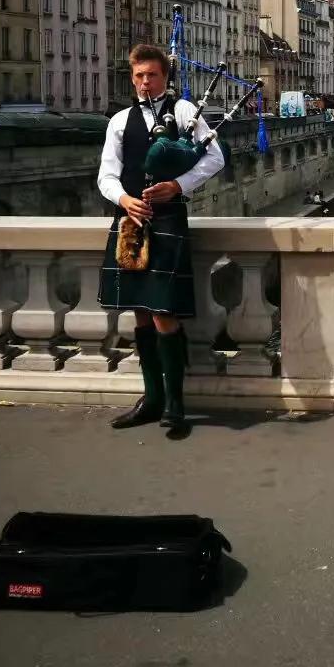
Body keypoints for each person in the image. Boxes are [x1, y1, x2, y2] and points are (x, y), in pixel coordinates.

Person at [97, 44, 225, 436]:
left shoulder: (186, 111)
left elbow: (214, 157)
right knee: (139, 309)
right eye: (138, 76)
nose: (144, 82)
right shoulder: (119, 120)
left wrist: (177, 184)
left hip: (168, 217)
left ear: (165, 76)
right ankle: (150, 399)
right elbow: (106, 174)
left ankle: (175, 406)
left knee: (163, 313)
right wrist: (124, 199)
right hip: (131, 222)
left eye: (151, 75)